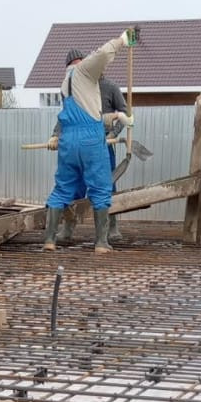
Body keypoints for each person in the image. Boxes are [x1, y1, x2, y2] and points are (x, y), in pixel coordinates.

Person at [44, 31, 135, 254]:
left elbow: (81, 116)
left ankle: (49, 240)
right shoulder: (84, 70)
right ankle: (101, 243)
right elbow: (103, 54)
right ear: (81, 61)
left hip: (69, 140)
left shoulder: (65, 83)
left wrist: (117, 116)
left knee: (62, 189)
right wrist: (122, 40)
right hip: (92, 140)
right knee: (101, 188)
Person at [48, 74, 130, 247]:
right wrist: (55, 135)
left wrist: (113, 133)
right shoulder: (76, 88)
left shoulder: (110, 87)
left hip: (102, 144)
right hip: (79, 142)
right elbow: (66, 116)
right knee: (74, 186)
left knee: (106, 185)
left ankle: (111, 227)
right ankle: (68, 227)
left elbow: (124, 112)